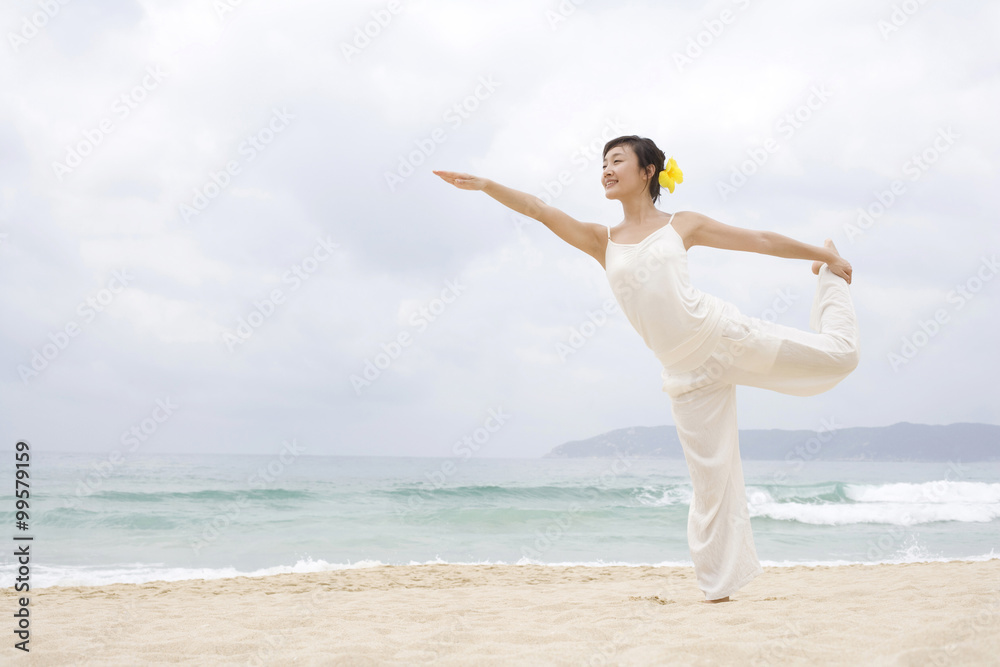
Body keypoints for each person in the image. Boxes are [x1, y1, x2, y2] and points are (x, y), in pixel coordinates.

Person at [432, 134, 860, 603]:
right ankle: (718, 590)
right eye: (603, 163)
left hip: (724, 338)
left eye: (617, 160)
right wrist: (488, 184)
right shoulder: (603, 240)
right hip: (685, 376)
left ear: (647, 171)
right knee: (710, 485)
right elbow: (538, 209)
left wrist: (825, 258)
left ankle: (830, 282)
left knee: (841, 356)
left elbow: (758, 240)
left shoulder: (682, 225)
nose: (606, 170)